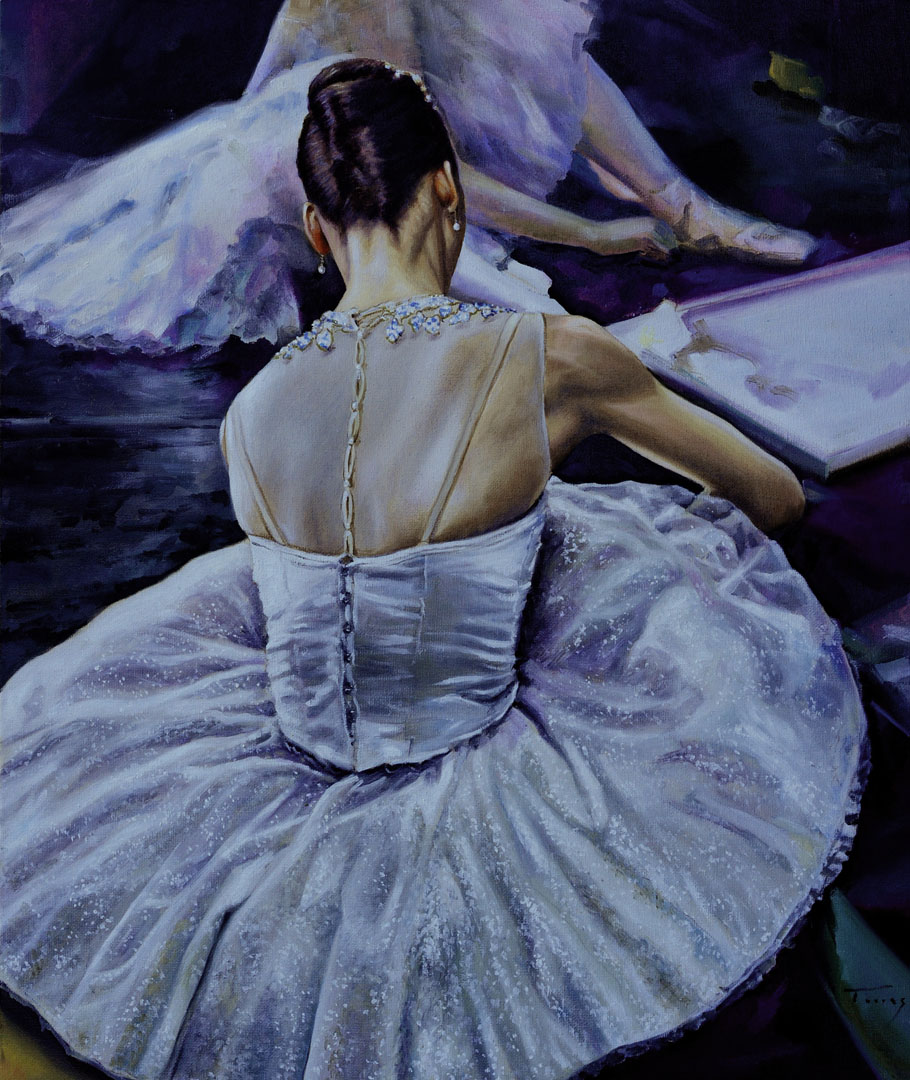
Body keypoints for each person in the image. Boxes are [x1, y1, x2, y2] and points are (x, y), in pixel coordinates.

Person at [0, 58, 865, 1080]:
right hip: (490, 791)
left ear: (317, 230)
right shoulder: (553, 358)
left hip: (286, 768)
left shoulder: (253, 416)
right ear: (448, 188)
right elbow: (771, 496)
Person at [0, 0, 816, 355]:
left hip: (396, 160)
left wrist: (673, 199)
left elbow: (557, 70)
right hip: (311, 175)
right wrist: (592, 234)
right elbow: (416, 165)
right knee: (522, 325)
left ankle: (690, 208)